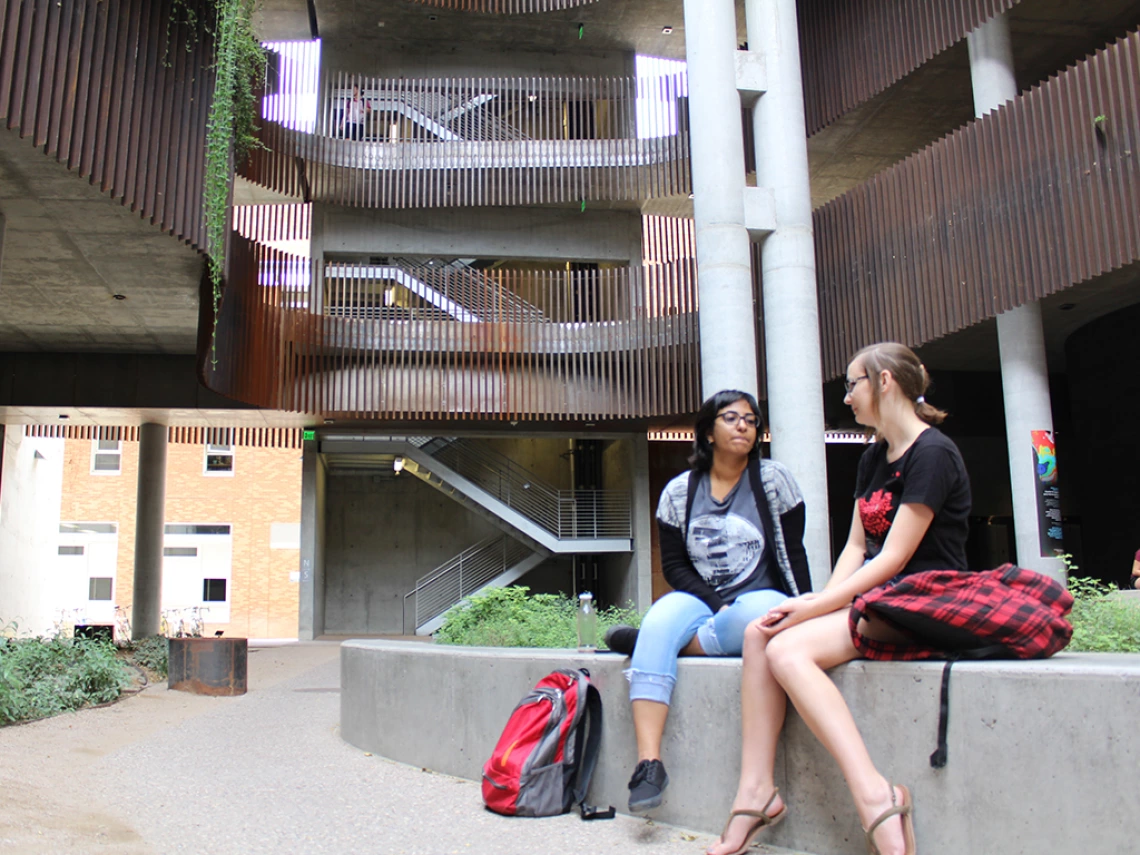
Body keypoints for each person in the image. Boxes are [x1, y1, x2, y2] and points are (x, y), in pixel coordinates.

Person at [707, 342, 970, 855]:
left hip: (925, 599)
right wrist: (818, 601)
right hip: (880, 600)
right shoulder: (874, 454)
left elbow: (892, 560)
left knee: (786, 648)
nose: (847, 396)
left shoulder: (933, 453)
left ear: (885, 382)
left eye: (853, 384)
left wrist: (818, 607)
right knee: (765, 631)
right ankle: (756, 791)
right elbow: (856, 545)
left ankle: (875, 795)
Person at [604, 390, 811, 814]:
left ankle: (665, 643)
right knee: (662, 618)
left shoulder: (774, 481)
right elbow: (676, 568)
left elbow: (794, 551)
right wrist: (716, 605)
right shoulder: (679, 493)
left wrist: (806, 608)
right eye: (732, 418)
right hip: (705, 602)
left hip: (763, 598)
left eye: (751, 420)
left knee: (759, 616)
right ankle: (648, 763)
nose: (743, 427)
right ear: (707, 431)